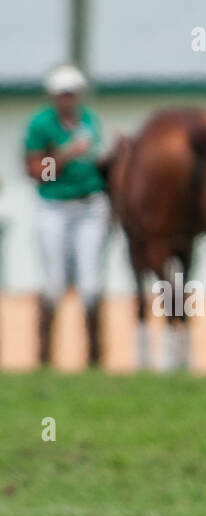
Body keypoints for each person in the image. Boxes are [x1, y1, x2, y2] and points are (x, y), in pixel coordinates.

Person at [23, 64, 111, 368]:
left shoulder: (89, 121)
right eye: (62, 94)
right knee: (55, 283)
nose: (68, 100)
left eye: (72, 94)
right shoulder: (42, 125)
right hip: (54, 206)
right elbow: (37, 172)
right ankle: (45, 358)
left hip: (90, 205)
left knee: (90, 284)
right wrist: (66, 155)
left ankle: (95, 359)